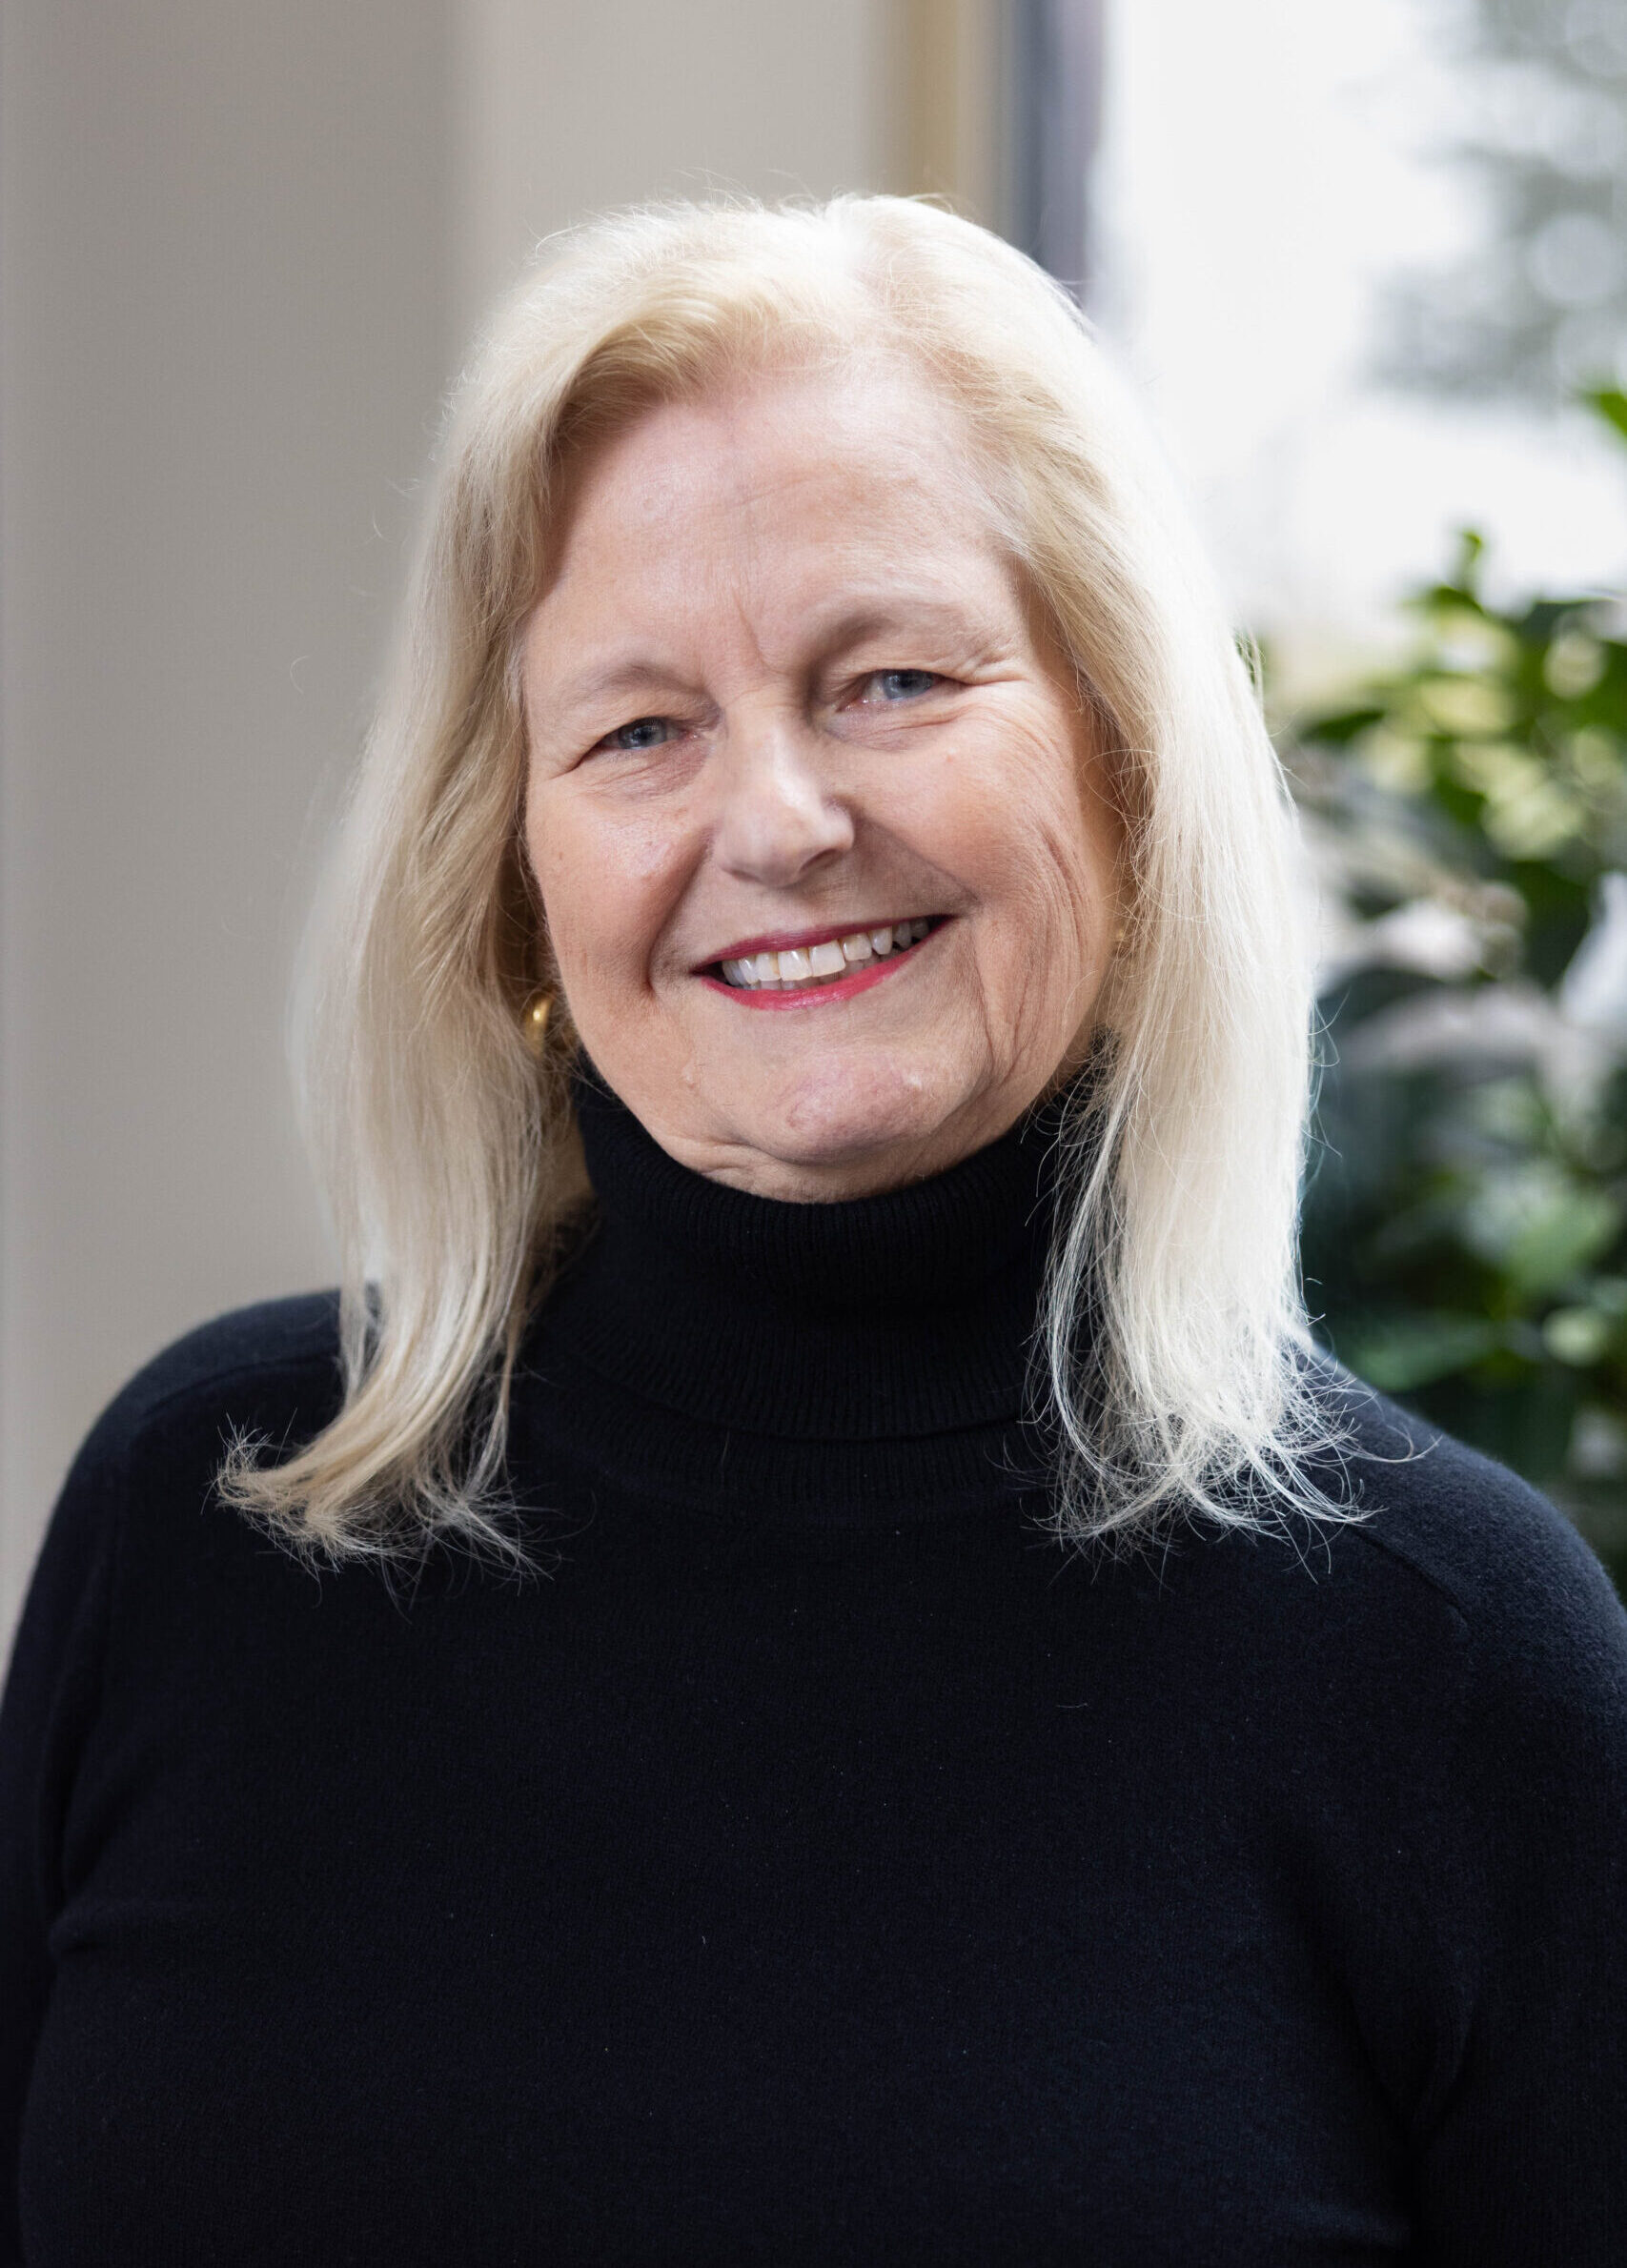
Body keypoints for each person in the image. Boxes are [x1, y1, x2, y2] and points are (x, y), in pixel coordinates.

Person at [2, 195, 1624, 2266]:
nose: (773, 821)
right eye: (637, 728)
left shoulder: (1446, 1653)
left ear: (1123, 768)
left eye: (888, 678)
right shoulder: (211, 1511)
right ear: (511, 872)